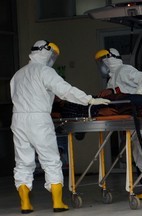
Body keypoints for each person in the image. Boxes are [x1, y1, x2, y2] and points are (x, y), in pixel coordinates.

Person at [10, 40, 110, 214]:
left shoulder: (18, 74)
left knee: (23, 162)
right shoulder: (45, 71)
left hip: (18, 119)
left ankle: (25, 204)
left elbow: (14, 97)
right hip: (39, 118)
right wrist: (89, 100)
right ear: (47, 53)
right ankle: (57, 203)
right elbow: (65, 90)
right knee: (50, 160)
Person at [95, 48, 142, 200]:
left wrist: (138, 97)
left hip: (141, 119)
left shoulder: (125, 70)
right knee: (139, 155)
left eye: (102, 61)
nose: (101, 65)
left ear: (109, 59)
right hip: (132, 121)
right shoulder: (112, 79)